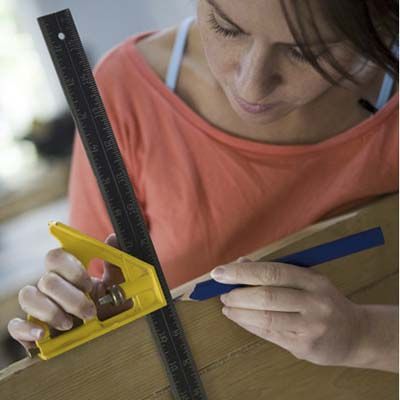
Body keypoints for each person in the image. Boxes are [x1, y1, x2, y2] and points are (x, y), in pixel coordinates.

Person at [8, 0, 398, 373]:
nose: (251, 87)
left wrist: (364, 338)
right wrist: (69, 324)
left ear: (379, 21)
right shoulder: (124, 95)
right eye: (226, 27)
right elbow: (92, 316)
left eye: (305, 53)